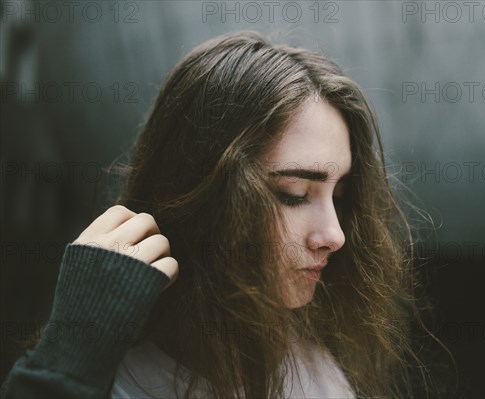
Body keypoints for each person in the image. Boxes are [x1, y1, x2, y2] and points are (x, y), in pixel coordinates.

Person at [1, 30, 436, 398]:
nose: (335, 235)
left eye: (339, 196)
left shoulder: (313, 356)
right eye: (293, 193)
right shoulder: (121, 380)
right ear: (201, 195)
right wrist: (62, 361)